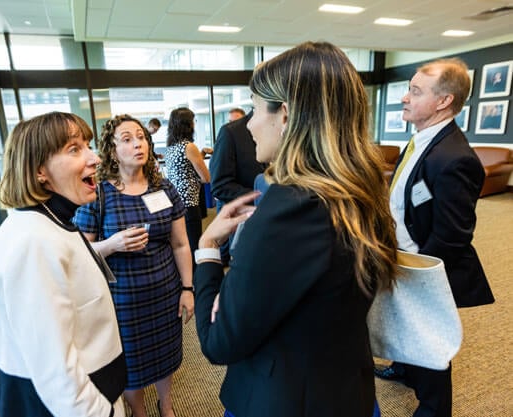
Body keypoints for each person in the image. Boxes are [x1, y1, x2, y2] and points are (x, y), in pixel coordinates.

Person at [193, 41, 398, 417]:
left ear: (285, 116)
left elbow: (218, 341)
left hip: (286, 399)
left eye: (254, 109)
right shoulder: (361, 190)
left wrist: (208, 248)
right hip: (346, 388)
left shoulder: (288, 210)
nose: (249, 125)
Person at [0, 112, 127, 417]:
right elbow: (55, 370)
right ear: (39, 172)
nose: (95, 158)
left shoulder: (52, 222)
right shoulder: (33, 240)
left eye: (88, 145)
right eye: (74, 149)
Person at [376, 58, 495, 417]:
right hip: (401, 254)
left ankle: (434, 409)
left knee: (427, 339)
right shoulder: (420, 141)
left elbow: (453, 234)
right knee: (401, 323)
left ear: (444, 101)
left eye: (415, 91)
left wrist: (417, 275)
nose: (404, 98)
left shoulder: (455, 158)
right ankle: (403, 367)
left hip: (425, 266)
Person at [73, 114, 194, 417]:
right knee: (132, 365)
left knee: (167, 355)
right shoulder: (98, 194)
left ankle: (166, 406)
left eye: (141, 137)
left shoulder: (163, 188)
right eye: (127, 139)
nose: (138, 144)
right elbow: (78, 252)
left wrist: (188, 288)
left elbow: (180, 244)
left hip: (165, 292)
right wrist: (112, 244)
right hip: (122, 301)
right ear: (112, 151)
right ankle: (138, 412)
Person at [209, 109, 266, 265]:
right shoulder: (232, 133)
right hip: (245, 224)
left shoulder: (289, 129)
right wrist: (263, 197)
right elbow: (220, 185)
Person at [164, 107, 210, 267]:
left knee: (182, 244)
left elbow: (184, 168)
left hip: (175, 203)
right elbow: (206, 177)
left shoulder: (170, 147)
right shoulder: (189, 147)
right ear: (188, 124)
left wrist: (201, 155)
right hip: (190, 204)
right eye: (193, 120)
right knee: (194, 244)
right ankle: (196, 283)